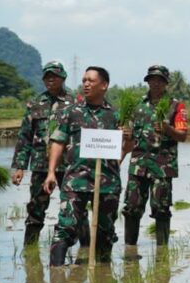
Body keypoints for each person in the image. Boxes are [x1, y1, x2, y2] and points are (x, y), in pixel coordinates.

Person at [44, 65, 129, 266]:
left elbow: (127, 146)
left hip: (106, 182)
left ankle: (102, 279)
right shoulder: (71, 112)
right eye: (84, 81)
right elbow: (58, 142)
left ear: (104, 85)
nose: (86, 84)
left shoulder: (115, 116)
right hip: (76, 180)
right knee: (66, 227)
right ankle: (56, 277)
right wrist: (50, 172)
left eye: (91, 80)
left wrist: (125, 145)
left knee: (105, 231)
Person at [122, 64, 188, 248]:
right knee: (132, 207)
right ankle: (130, 248)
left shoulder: (176, 106)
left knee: (161, 208)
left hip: (162, 166)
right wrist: (125, 134)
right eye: (152, 80)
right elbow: (129, 137)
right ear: (148, 81)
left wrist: (167, 129)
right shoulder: (137, 105)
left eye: (160, 80)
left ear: (166, 83)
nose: (156, 83)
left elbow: (183, 136)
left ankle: (162, 252)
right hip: (138, 165)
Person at [10, 60, 73, 246]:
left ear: (63, 78)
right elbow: (25, 137)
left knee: (72, 207)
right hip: (40, 165)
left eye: (54, 76)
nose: (50, 80)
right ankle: (29, 251)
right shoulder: (35, 104)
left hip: (68, 165)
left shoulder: (75, 103)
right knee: (36, 208)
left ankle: (78, 247)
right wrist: (20, 167)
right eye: (47, 77)